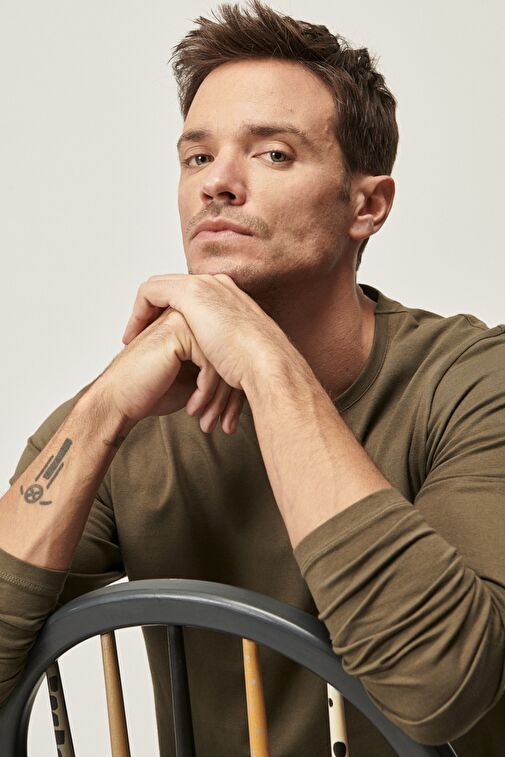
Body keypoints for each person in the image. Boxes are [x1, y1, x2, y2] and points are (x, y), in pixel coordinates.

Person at [1, 1, 504, 754]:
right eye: (197, 158)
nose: (218, 184)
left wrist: (265, 362)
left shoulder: (473, 381)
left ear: (367, 206)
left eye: (272, 154)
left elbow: (440, 691)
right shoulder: (137, 408)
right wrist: (102, 407)